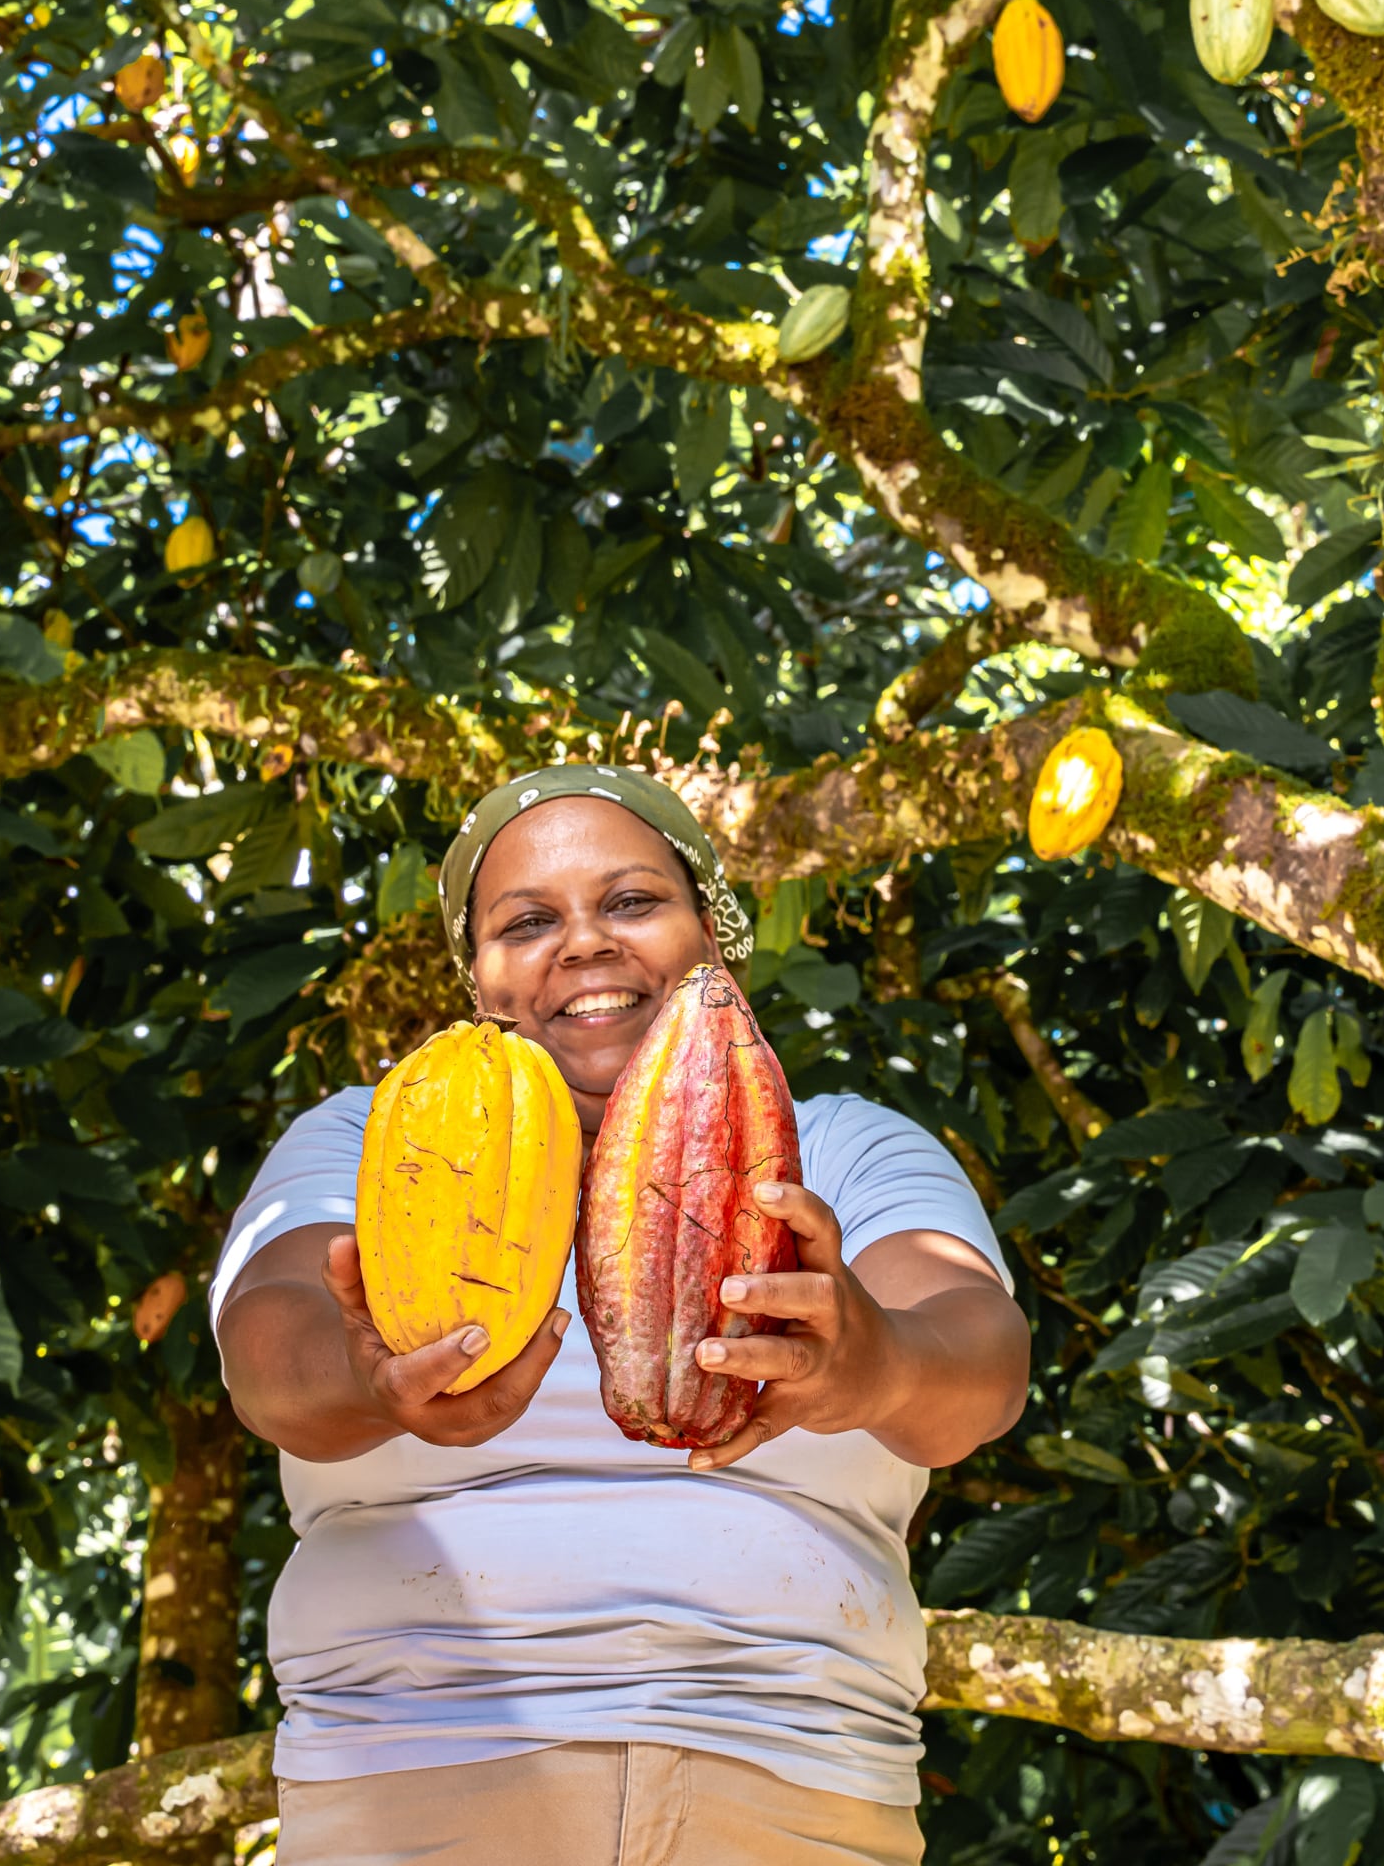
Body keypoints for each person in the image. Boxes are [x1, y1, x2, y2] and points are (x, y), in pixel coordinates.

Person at [210, 764, 1032, 1865]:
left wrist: (867, 1365)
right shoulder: (372, 1141)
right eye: (528, 920)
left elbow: (980, 1358)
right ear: (480, 976)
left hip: (789, 1779)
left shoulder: (841, 1145)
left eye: (634, 901)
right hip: (419, 1775)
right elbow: (265, 1350)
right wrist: (370, 1382)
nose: (585, 942)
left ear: (714, 937)